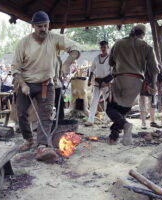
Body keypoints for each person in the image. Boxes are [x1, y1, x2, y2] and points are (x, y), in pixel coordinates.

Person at [11, 10, 80, 161]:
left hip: (46, 84)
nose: (43, 29)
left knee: (46, 115)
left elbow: (75, 48)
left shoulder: (54, 38)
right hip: (27, 83)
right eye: (40, 26)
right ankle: (29, 140)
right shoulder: (23, 43)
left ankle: (42, 146)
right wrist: (22, 84)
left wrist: (67, 63)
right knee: (21, 113)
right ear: (33, 26)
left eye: (46, 26)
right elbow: (15, 68)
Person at [107, 24, 159, 145]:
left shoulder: (118, 43)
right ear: (143, 34)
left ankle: (126, 126)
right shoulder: (146, 46)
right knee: (123, 110)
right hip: (136, 82)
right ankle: (114, 136)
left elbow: (111, 62)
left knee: (111, 108)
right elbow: (154, 69)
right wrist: (154, 85)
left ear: (132, 31)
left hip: (120, 78)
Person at [85, 41, 112, 127]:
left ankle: (106, 121)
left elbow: (114, 72)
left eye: (104, 47)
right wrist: (89, 80)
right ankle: (90, 120)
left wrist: (107, 81)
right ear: (100, 48)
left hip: (106, 83)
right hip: (97, 82)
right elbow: (92, 69)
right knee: (94, 101)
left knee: (106, 102)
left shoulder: (111, 58)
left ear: (108, 47)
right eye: (101, 47)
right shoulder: (96, 58)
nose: (103, 49)